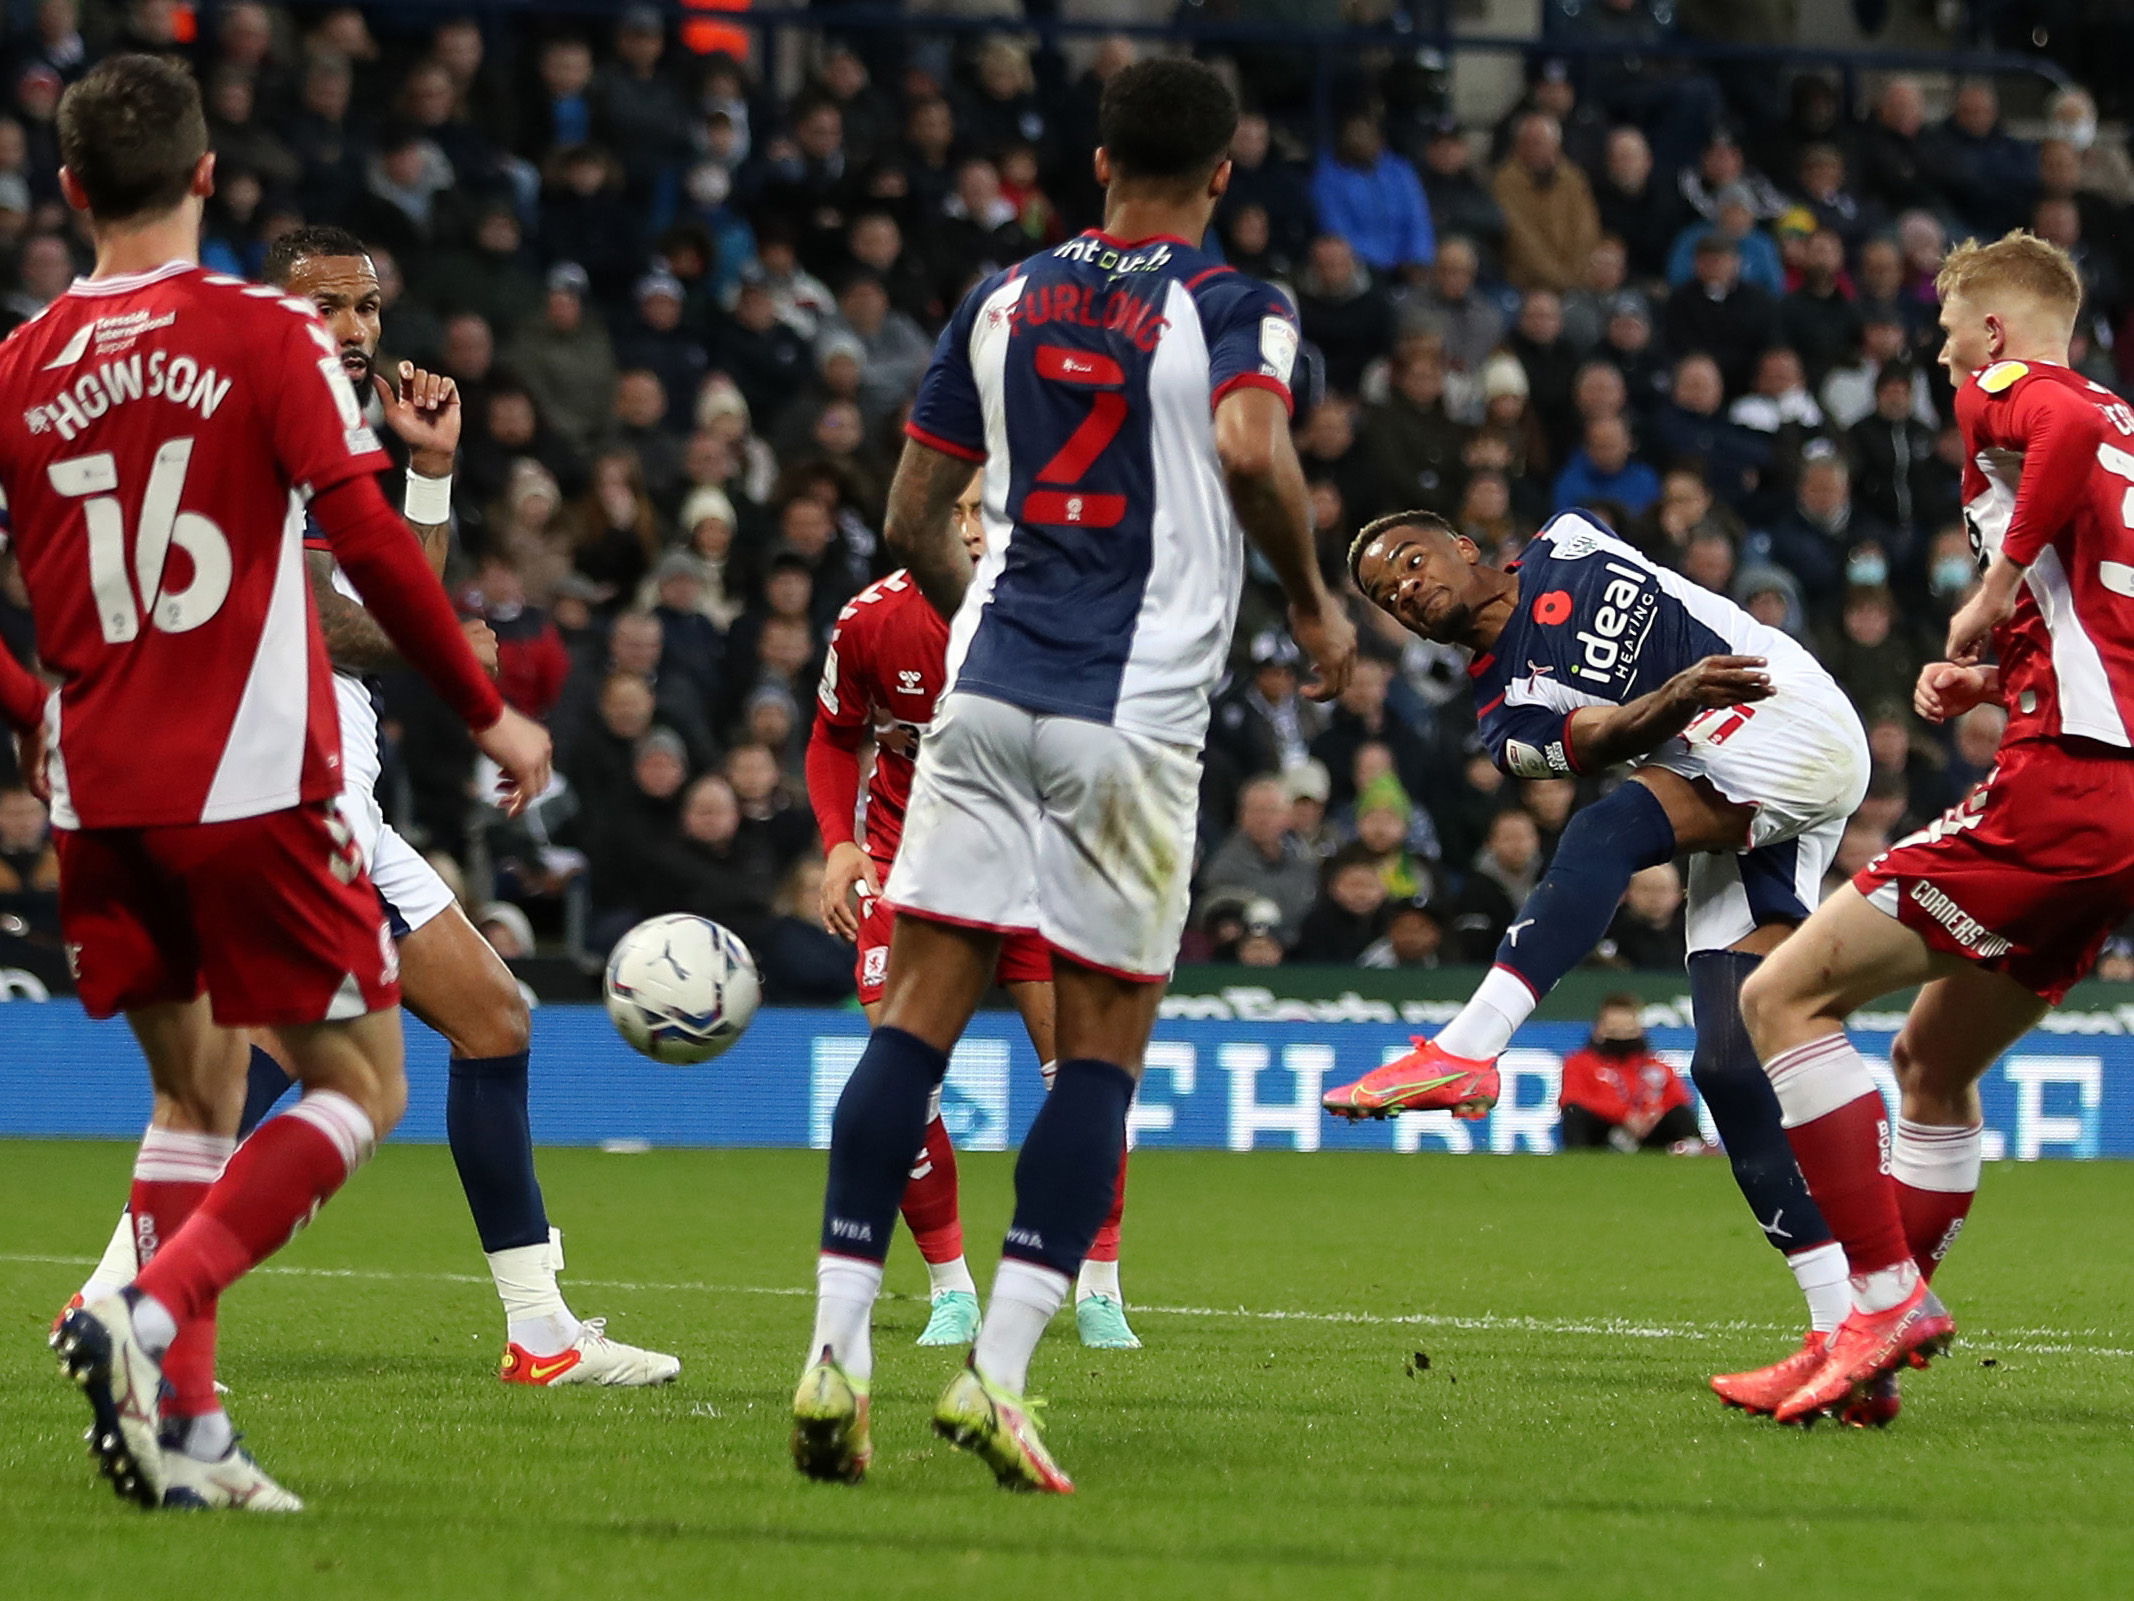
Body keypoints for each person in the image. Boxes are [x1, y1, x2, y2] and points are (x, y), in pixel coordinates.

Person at [790, 57, 1354, 1495]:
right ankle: (999, 1377)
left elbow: (914, 507)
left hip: (980, 699)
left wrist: (989, 617)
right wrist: (1307, 599)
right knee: (1098, 1050)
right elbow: (1246, 439)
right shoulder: (1238, 305)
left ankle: (836, 1351)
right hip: (1132, 722)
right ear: (1222, 175)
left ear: (1095, 158)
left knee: (909, 1027)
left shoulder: (995, 295)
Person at [10, 56, 549, 1512]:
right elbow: (367, 553)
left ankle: (183, 1431)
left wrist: (34, 716)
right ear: (202, 182)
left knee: (196, 1093)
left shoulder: (23, 363)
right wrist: (488, 709)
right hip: (247, 779)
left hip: (95, 788)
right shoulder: (258, 336)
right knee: (359, 1081)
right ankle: (145, 1309)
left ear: (68, 191)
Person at [61, 227, 681, 1401]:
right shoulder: (247, 416)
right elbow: (298, 608)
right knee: (400, 1038)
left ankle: (121, 1293)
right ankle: (138, 1299)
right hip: (297, 776)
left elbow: (391, 588)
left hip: (318, 775)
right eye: (331, 306)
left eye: (369, 306)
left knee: (448, 1028)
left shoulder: (334, 426)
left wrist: (431, 472)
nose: (357, 328)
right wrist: (452, 653)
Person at [1325, 506, 1870, 1405]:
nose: (1407, 592)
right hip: (1723, 765)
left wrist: (1687, 693)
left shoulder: (1570, 536)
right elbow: (1598, 740)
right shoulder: (1507, 718)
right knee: (1730, 1066)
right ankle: (1844, 1335)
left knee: (1605, 831)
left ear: (1465, 547)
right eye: (1389, 596)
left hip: (1785, 716)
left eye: (1412, 563)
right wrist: (1672, 698)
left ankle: (1468, 1046)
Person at [1732, 233, 2134, 1426]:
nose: (1943, 346)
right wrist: (2006, 678)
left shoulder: (2019, 395)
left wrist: (1996, 587)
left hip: (2063, 786)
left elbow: (2043, 451)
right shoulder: (2125, 419)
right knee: (1932, 1063)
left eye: (1953, 324)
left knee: (1779, 998)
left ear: (1998, 333)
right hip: (2110, 794)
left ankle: (1880, 1300)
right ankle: (1864, 1365)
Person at [807, 469, 1139, 1351]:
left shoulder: (1078, 612)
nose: (973, 529)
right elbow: (835, 734)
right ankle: (950, 1287)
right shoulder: (872, 618)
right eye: (956, 513)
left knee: (1083, 1075)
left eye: (988, 511)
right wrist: (838, 842)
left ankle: (1098, 1284)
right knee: (901, 1076)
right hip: (911, 869)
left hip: (1044, 866)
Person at [1558, 994, 1702, 1151]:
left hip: (1649, 1133)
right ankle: (1579, 1158)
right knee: (1575, 1113)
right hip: (1603, 1131)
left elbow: (1678, 1100)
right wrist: (1623, 1115)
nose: (1622, 1038)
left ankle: (1695, 1152)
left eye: (1628, 1031)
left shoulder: (1657, 1066)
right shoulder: (1579, 1063)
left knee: (1679, 1114)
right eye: (1614, 1031)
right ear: (1598, 1030)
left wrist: (1651, 1115)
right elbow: (1571, 1099)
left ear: (1640, 1030)